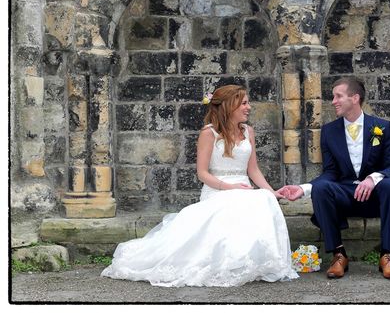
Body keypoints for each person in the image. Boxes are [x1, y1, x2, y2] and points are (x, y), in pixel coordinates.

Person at [102, 85, 298, 287]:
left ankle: (251, 263)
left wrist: (272, 192)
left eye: (248, 103)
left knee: (264, 198)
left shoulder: (248, 132)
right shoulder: (209, 133)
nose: (249, 107)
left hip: (244, 191)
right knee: (247, 202)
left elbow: (253, 170)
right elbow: (202, 173)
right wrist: (230, 188)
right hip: (218, 190)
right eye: (244, 103)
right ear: (229, 106)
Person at [278, 76, 390, 280]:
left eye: (338, 96)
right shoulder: (329, 131)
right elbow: (330, 172)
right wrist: (303, 188)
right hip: (344, 197)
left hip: (374, 198)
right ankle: (339, 255)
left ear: (355, 98)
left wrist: (372, 179)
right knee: (322, 188)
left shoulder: (382, 127)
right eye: (333, 97)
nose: (333, 101)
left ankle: (386, 256)